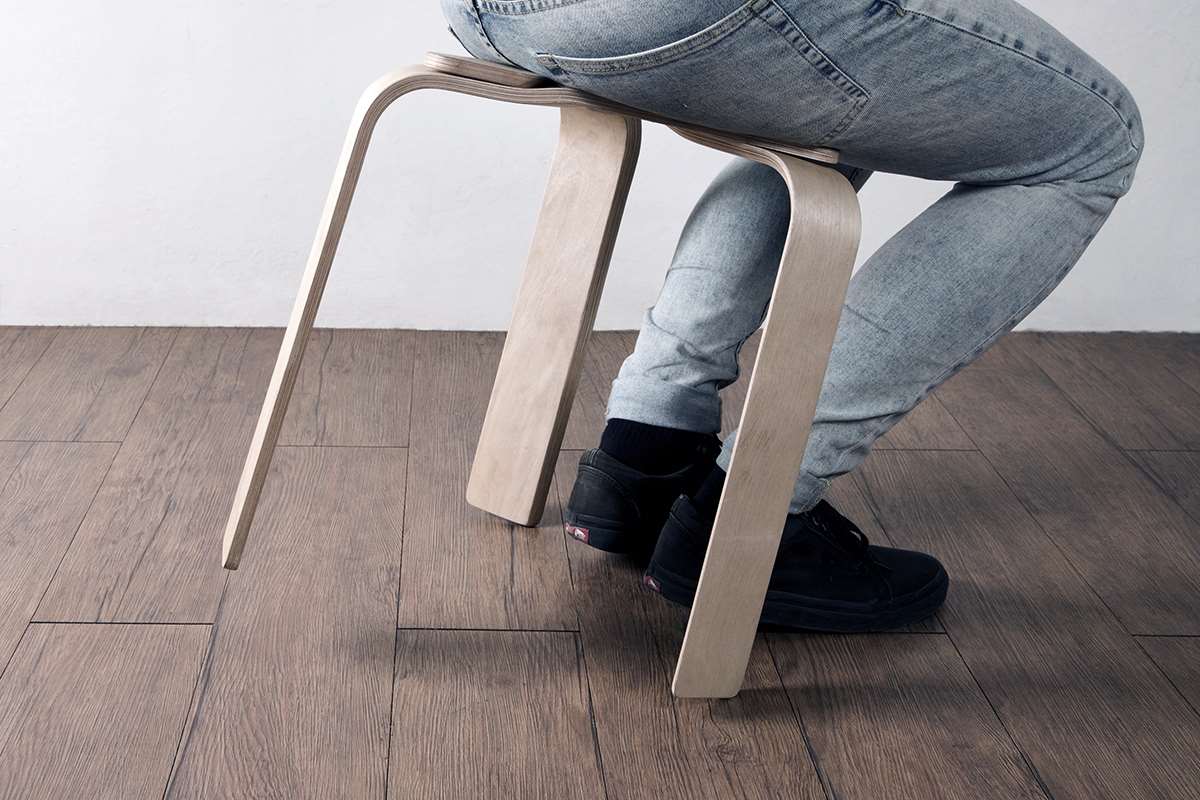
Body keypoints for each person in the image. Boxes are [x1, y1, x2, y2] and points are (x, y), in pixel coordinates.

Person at [441, 0, 1143, 631]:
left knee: (850, 94)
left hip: (494, 14)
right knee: (1091, 138)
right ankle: (754, 509)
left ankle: (646, 447)